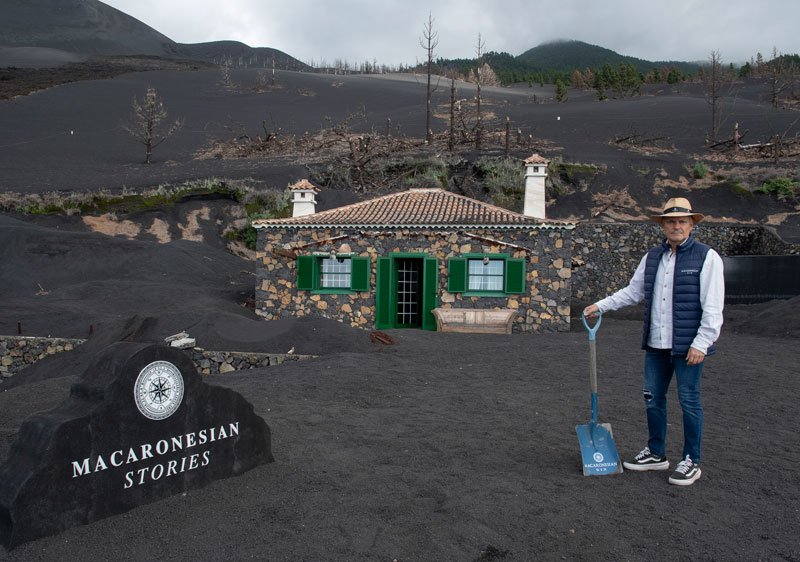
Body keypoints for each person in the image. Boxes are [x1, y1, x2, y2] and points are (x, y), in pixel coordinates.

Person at [583, 197, 724, 486]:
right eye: (670, 221)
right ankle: (657, 453)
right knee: (652, 400)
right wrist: (600, 304)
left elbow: (713, 305)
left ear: (691, 224)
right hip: (657, 344)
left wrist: (702, 342)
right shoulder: (652, 257)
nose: (676, 226)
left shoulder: (707, 257)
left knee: (689, 401)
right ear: (662, 225)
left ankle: (691, 461)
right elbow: (633, 292)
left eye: (682, 221)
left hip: (689, 347)